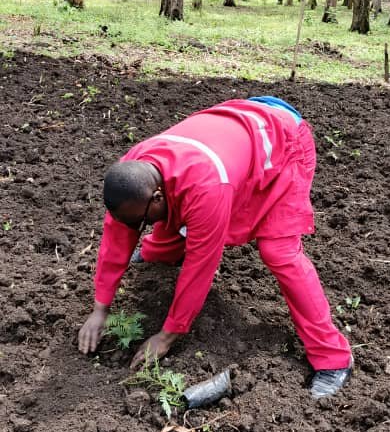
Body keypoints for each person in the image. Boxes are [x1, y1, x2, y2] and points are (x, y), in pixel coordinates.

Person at [78, 96, 352, 398]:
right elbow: (116, 235)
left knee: (279, 251)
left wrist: (168, 335)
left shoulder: (207, 188)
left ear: (157, 196)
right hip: (235, 131)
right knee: (175, 220)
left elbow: (200, 265)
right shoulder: (133, 170)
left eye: (141, 222)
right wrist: (100, 309)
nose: (135, 228)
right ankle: (161, 250)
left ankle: (333, 358)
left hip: (284, 142)